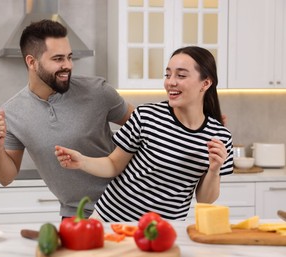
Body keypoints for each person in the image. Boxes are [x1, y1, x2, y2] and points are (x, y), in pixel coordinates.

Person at [55, 46, 234, 221]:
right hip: (112, 219)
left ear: (206, 83)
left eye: (181, 75)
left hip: (163, 230)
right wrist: (82, 161)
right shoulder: (147, 116)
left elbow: (205, 200)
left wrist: (214, 169)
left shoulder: (219, 137)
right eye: (168, 74)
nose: (171, 82)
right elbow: (113, 164)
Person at [0, 19, 134, 218]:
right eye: (58, 59)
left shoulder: (98, 92)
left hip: (125, 208)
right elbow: (6, 178)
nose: (68, 65)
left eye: (69, 57)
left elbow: (147, 126)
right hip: (75, 215)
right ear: (31, 62)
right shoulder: (12, 112)